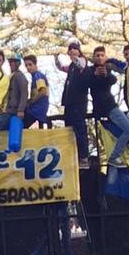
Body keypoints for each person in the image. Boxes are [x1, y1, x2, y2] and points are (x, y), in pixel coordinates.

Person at [88, 46, 129, 168]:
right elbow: (87, 83)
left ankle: (120, 154)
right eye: (97, 55)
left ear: (105, 57)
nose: (99, 58)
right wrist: (95, 75)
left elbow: (113, 79)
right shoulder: (89, 71)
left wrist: (105, 75)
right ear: (94, 57)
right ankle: (114, 156)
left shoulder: (107, 68)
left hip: (109, 105)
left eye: (102, 55)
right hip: (106, 107)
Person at [55, 40, 90, 168]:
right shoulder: (71, 67)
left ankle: (83, 157)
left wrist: (75, 56)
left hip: (78, 102)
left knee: (79, 129)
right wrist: (56, 58)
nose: (71, 52)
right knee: (69, 129)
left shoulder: (81, 61)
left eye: (74, 49)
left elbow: (81, 65)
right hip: (69, 102)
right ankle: (73, 155)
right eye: (70, 50)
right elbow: (61, 67)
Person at [0, 54, 29, 132]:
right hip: (4, 111)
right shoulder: (10, 76)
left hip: (11, 111)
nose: (12, 63)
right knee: (3, 134)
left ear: (18, 63)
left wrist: (21, 110)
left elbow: (24, 93)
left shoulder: (19, 76)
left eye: (14, 62)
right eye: (10, 61)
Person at [23, 55, 50, 127]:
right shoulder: (35, 77)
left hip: (36, 110)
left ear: (35, 64)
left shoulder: (38, 76)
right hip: (37, 109)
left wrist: (31, 101)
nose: (28, 67)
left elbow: (43, 91)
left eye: (30, 64)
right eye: (26, 65)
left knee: (21, 125)